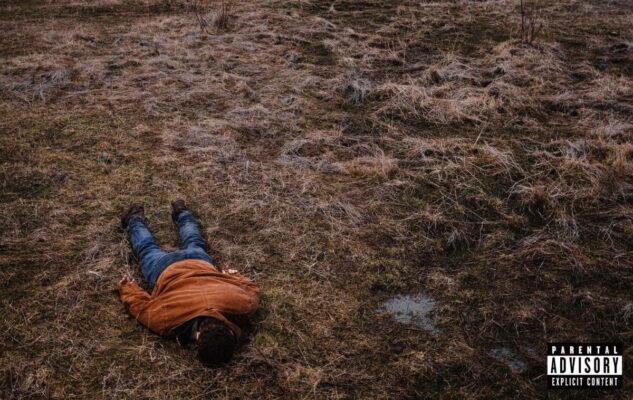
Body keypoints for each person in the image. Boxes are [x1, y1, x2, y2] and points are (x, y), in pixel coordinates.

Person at [118, 200, 260, 366]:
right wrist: (128, 287)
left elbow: (251, 288)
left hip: (199, 261)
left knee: (194, 240)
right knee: (146, 248)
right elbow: (141, 307)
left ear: (229, 330)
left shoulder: (244, 306)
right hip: (164, 269)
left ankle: (182, 211)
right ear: (198, 337)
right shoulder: (168, 321)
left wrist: (233, 275)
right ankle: (134, 218)